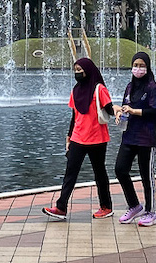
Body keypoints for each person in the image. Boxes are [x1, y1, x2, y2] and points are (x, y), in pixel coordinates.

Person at [43, 57, 115, 220]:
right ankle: (61, 207)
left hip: (97, 138)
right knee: (70, 173)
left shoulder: (99, 89)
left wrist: (119, 110)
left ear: (88, 71)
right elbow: (74, 116)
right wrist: (68, 138)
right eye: (75, 70)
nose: (77, 73)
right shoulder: (75, 90)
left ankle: (106, 206)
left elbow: (109, 109)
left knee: (99, 173)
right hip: (78, 138)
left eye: (80, 70)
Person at [114, 52, 156, 227]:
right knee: (120, 169)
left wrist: (135, 111)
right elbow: (125, 104)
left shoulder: (151, 87)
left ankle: (151, 212)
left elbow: (155, 111)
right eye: (136, 65)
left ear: (147, 67)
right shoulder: (130, 86)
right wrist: (120, 113)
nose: (138, 68)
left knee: (146, 176)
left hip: (146, 138)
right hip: (129, 136)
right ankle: (134, 205)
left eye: (142, 65)